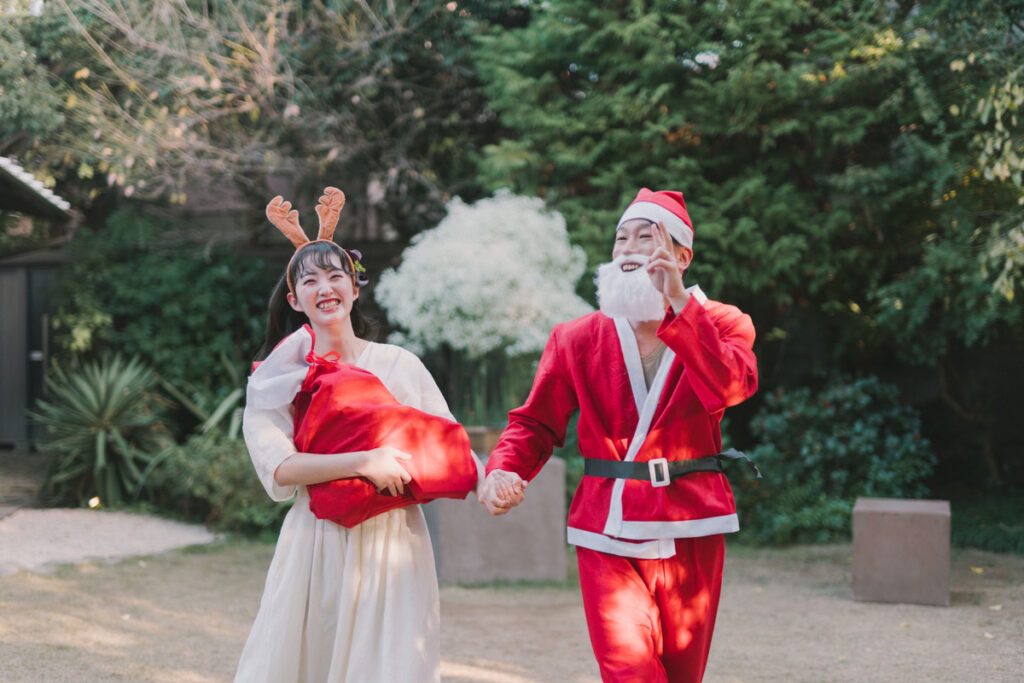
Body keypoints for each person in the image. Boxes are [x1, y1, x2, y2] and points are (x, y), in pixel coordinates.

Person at [479, 188, 759, 682]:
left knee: (682, 674)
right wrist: (502, 469)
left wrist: (679, 303)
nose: (628, 247)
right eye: (620, 238)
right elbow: (534, 422)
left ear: (682, 257)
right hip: (605, 526)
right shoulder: (576, 337)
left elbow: (731, 386)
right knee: (628, 669)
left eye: (645, 237)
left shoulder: (723, 323)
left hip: (691, 523)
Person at [235, 187, 478, 682]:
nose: (324, 287)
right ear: (294, 299)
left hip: (395, 540)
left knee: (390, 665)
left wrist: (489, 480)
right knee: (309, 659)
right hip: (317, 538)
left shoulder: (398, 364)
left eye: (335, 275)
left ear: (354, 287)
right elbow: (281, 469)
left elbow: (449, 443)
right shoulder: (277, 381)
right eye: (310, 280)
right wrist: (366, 461)